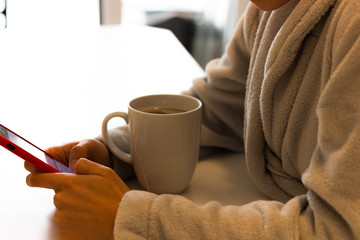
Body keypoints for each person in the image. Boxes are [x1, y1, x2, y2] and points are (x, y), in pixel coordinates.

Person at [25, 0, 360, 239]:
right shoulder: (271, 11)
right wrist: (119, 152)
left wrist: (132, 220)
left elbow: (337, 229)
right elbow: (218, 108)